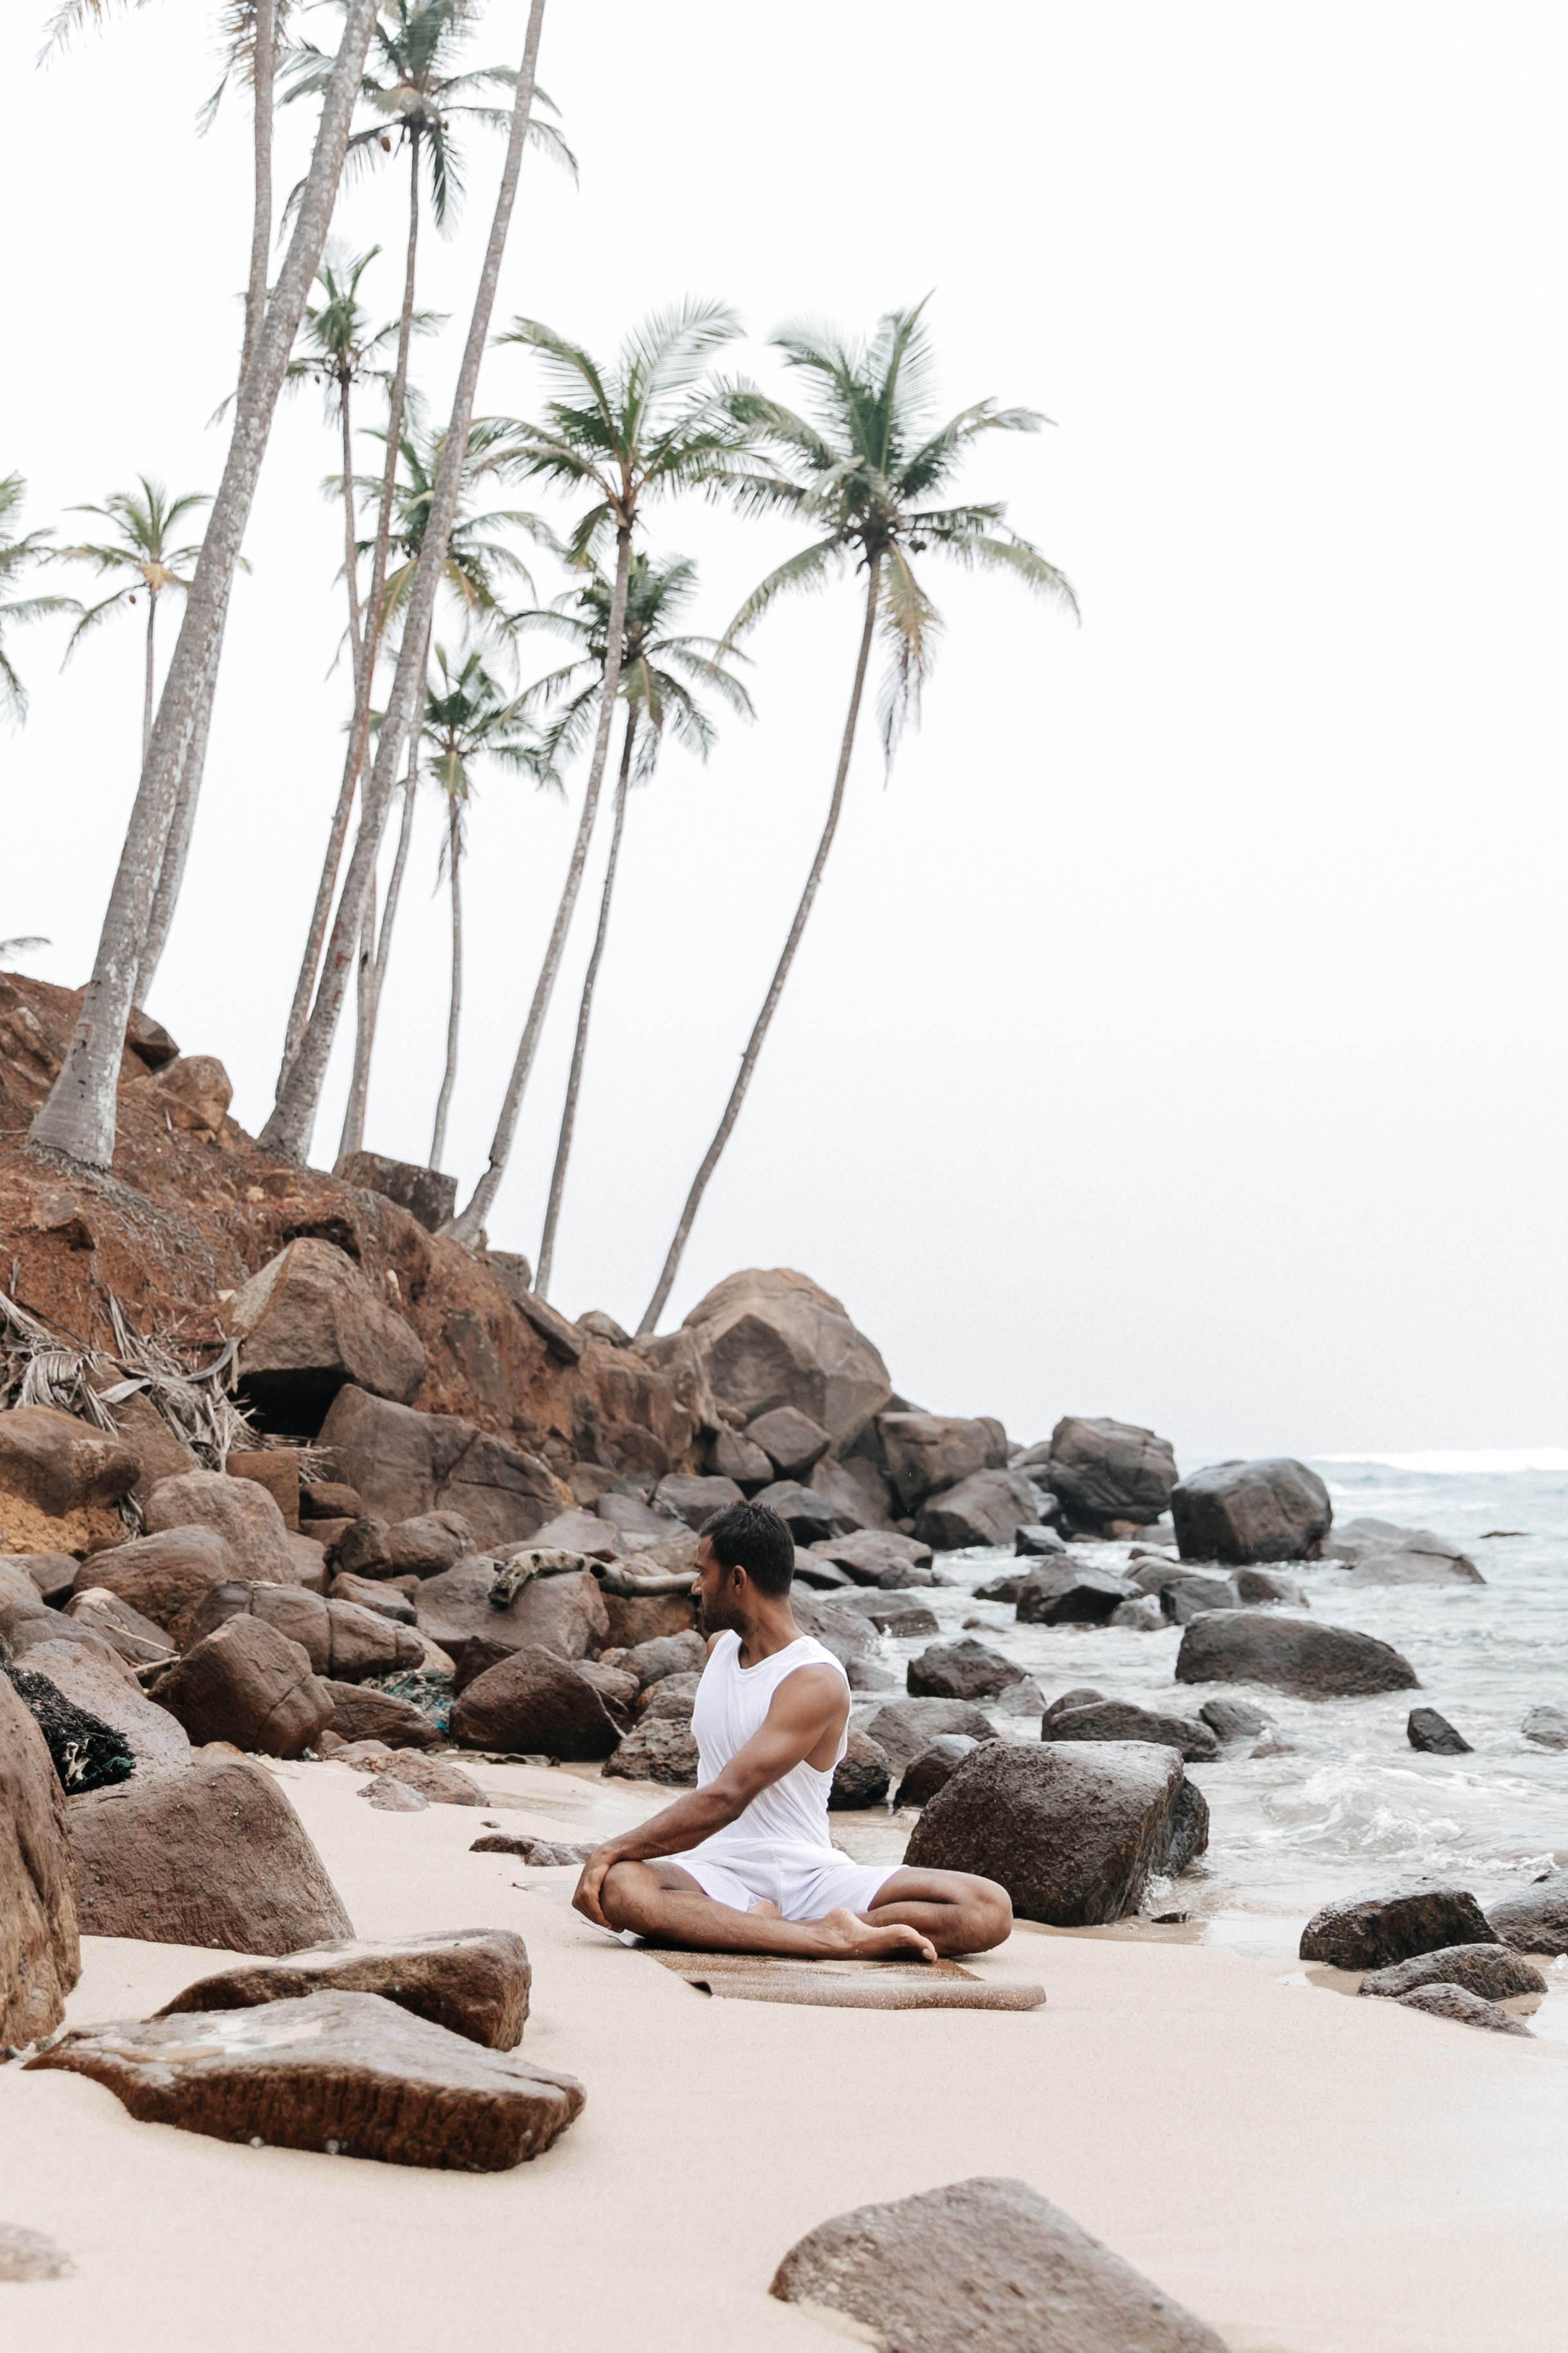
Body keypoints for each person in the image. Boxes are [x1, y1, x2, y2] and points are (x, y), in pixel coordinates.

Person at [573, 1499, 1011, 1961]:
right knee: (624, 1888)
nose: (696, 1586)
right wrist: (618, 1860)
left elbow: (727, 1797)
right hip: (714, 1869)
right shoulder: (719, 1647)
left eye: (704, 1572)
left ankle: (805, 1930)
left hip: (808, 1873)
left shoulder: (813, 1679)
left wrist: (610, 1849)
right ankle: (822, 1936)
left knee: (986, 1908)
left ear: (738, 1579)